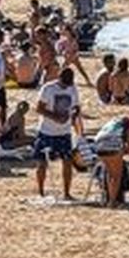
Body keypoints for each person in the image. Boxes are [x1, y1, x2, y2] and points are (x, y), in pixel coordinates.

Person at [34, 67, 82, 200]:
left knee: (67, 162)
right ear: (59, 78)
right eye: (65, 84)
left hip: (64, 132)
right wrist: (55, 117)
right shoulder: (48, 88)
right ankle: (41, 192)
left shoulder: (72, 88)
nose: (67, 86)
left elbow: (77, 107)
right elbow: (39, 108)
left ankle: (67, 193)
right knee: (42, 163)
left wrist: (72, 116)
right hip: (46, 131)